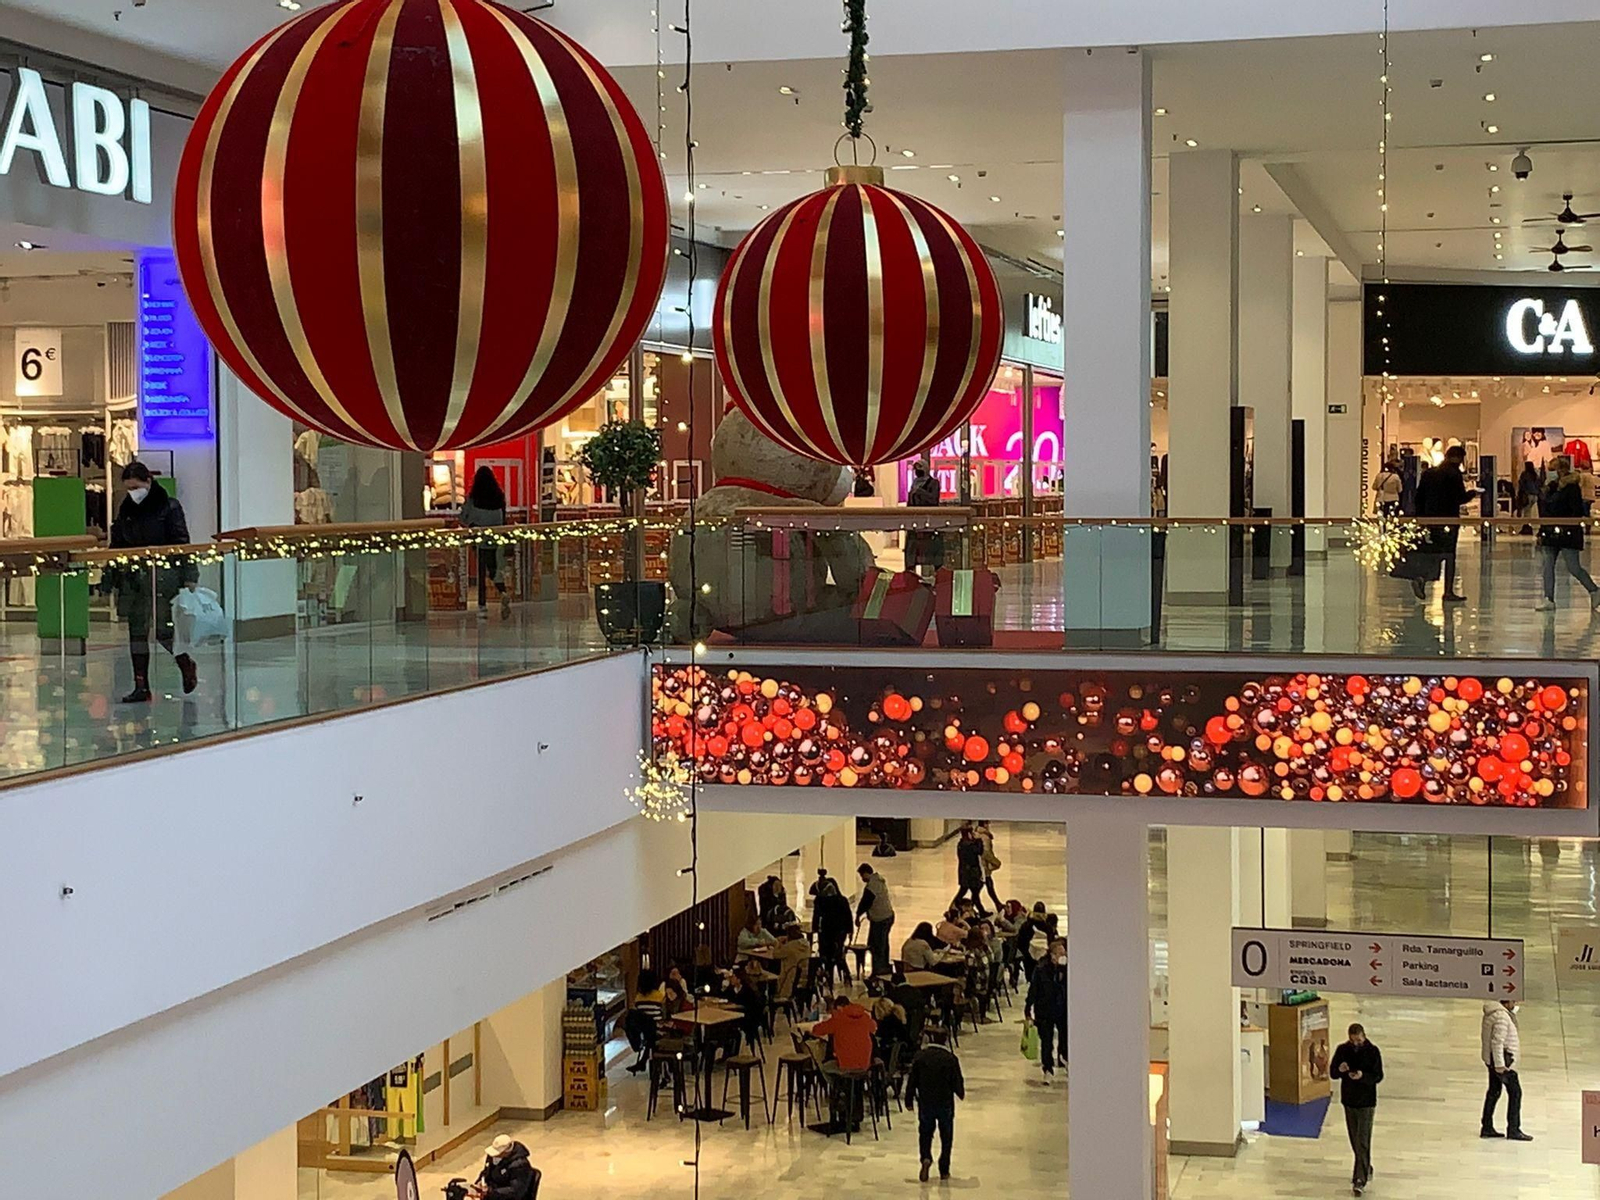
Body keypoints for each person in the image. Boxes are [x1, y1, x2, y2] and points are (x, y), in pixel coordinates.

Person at [105, 462, 199, 703]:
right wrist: (109, 573)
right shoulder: (126, 509)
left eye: (136, 487)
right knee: (137, 633)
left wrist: (190, 575)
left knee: (163, 631)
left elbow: (181, 541)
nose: (132, 493)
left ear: (148, 482)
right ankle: (141, 686)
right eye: (128, 488)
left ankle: (185, 663)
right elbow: (117, 542)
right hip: (133, 579)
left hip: (162, 578)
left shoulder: (169, 507)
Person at [1413, 444, 1478, 603]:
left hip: (1430, 519)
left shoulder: (1429, 473)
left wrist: (1421, 518)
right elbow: (1459, 498)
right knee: (1449, 554)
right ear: (1459, 458)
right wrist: (1472, 493)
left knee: (1433, 551)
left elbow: (1418, 497)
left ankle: (1422, 577)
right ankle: (1447, 591)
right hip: (1449, 519)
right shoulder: (1454, 474)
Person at [1535, 455, 1599, 612]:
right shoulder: (1550, 488)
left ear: (1561, 470)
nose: (1549, 472)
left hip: (1568, 532)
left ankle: (1594, 590)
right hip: (1549, 532)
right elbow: (1544, 511)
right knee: (1547, 565)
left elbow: (1576, 510)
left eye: (1552, 469)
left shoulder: (1572, 488)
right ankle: (1548, 598)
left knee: (1573, 567)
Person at [1330, 1022, 1384, 1194]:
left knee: (1362, 1140)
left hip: (1366, 1102)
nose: (1356, 1043)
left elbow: (1378, 1076)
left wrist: (1362, 1076)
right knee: (1354, 1139)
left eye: (1359, 1040)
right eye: (1353, 1040)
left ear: (1364, 1036)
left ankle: (1359, 1179)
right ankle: (1366, 1167)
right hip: (1349, 1100)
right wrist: (1340, 1069)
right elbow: (1333, 1073)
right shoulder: (1343, 1050)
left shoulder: (1373, 1051)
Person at [905, 1041, 966, 1183]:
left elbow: (912, 1080)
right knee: (946, 1135)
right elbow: (957, 1080)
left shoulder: (920, 1057)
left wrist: (909, 1099)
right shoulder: (950, 1058)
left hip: (926, 1101)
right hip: (945, 1102)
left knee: (925, 1132)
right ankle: (944, 1168)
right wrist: (960, 1092)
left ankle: (925, 1157)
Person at [459, 465, 511, 618]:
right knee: (493, 568)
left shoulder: (473, 498)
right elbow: (503, 518)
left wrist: (471, 524)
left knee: (480, 572)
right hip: (495, 538)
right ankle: (502, 591)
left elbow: (463, 517)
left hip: (479, 539)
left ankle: (482, 604)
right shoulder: (499, 496)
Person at [1481, 999, 1532, 1141]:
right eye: (1513, 1001)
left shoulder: (1492, 1013)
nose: (1515, 1004)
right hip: (1503, 1062)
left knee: (1494, 1092)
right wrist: (1500, 1065)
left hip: (1492, 1060)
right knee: (1515, 1093)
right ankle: (1513, 1129)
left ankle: (1487, 1126)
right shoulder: (1502, 1017)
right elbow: (1497, 1042)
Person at [1025, 938, 1069, 1084]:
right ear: (1052, 955)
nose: (1063, 956)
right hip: (1044, 1010)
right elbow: (1033, 990)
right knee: (1046, 1042)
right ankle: (1048, 1069)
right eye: (1060, 953)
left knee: (1065, 1037)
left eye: (1064, 953)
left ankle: (1064, 1058)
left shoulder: (1067, 969)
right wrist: (1028, 1010)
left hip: (1062, 1009)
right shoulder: (1041, 969)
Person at [811, 993, 878, 1078]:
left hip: (845, 1065)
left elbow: (816, 1030)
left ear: (838, 1008)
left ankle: (836, 1086)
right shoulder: (864, 1016)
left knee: (823, 1067)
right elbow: (873, 1027)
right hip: (865, 1065)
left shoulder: (838, 1018)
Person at [905, 460, 945, 577]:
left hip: (930, 524)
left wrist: (920, 492)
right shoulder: (914, 484)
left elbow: (933, 500)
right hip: (915, 523)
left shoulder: (933, 483)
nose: (918, 472)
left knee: (931, 550)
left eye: (920, 469)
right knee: (913, 549)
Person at [815, 872, 855, 988]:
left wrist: (815, 929)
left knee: (828, 955)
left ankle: (830, 978)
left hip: (827, 932)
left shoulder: (821, 901)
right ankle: (845, 975)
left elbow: (816, 916)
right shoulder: (842, 900)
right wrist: (850, 930)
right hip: (839, 932)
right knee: (837, 954)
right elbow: (848, 917)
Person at [623, 968, 667, 1074]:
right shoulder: (659, 996)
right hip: (657, 1030)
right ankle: (645, 1063)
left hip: (644, 1032)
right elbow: (662, 1014)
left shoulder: (638, 998)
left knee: (649, 1035)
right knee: (652, 1034)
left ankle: (642, 1061)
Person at [857, 863, 896, 978]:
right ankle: (884, 965)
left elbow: (865, 903)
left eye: (861, 875)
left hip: (880, 919)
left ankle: (878, 970)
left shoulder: (871, 886)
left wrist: (857, 915)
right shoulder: (879, 881)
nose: (862, 879)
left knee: (876, 945)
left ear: (865, 873)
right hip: (888, 915)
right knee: (883, 943)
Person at [471, 1134, 536, 1200]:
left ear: (506, 1151)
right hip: (492, 1193)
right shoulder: (492, 1156)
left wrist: (491, 1192)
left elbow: (515, 1191)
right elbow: (486, 1171)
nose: (494, 1156)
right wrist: (480, 1182)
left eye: (498, 1153)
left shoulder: (520, 1165)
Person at [951, 826, 989, 914]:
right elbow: (979, 851)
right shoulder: (969, 845)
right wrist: (978, 840)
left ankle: (980, 910)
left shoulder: (961, 844)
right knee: (974, 892)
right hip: (971, 873)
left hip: (964, 871)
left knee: (967, 891)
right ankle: (956, 907)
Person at [975, 820, 1003, 912]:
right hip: (983, 866)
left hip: (980, 865)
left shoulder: (977, 834)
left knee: (989, 885)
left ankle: (997, 904)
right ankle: (969, 905)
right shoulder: (985, 837)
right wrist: (996, 863)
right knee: (979, 888)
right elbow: (987, 853)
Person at [1516, 459, 1543, 529]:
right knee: (1533, 511)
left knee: (1526, 512)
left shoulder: (1524, 474)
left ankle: (1526, 525)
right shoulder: (1535, 475)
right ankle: (1532, 525)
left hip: (1527, 495)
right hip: (1535, 495)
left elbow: (1522, 485)